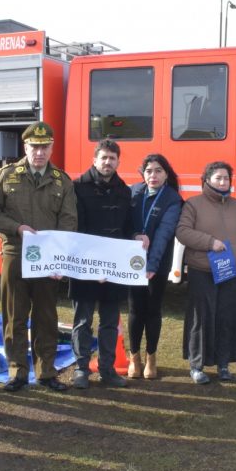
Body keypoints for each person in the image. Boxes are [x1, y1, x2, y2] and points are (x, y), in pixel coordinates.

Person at [0, 121, 77, 392]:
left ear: (51, 148)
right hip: (15, 253)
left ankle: (46, 372)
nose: (39, 152)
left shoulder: (62, 181)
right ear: (25, 147)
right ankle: (17, 371)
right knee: (14, 316)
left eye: (44, 147)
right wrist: (16, 228)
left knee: (46, 316)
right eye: (34, 146)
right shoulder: (5, 175)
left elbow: (69, 220)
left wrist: (59, 257)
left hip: (48, 258)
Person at [69, 139, 143, 389]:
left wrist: (136, 237)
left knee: (110, 321)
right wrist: (93, 264)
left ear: (118, 161)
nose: (108, 162)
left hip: (114, 267)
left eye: (112, 158)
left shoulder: (124, 190)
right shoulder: (77, 187)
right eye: (104, 158)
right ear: (94, 160)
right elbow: (73, 226)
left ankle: (107, 369)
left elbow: (128, 226)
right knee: (83, 320)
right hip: (85, 266)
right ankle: (81, 369)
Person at [176, 161, 236, 384]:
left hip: (229, 271)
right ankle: (196, 365)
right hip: (202, 270)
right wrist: (210, 242)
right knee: (200, 319)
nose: (223, 182)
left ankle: (223, 364)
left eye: (226, 178)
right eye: (218, 177)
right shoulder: (193, 204)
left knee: (226, 317)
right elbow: (182, 232)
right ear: (207, 180)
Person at [127, 154, 182, 380]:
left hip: (157, 264)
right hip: (131, 262)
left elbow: (164, 234)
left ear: (166, 174)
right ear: (143, 173)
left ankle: (151, 357)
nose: (153, 175)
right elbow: (125, 224)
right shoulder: (133, 192)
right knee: (134, 310)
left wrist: (152, 264)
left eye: (158, 171)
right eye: (149, 171)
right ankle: (134, 358)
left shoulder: (172, 198)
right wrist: (133, 235)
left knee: (153, 310)